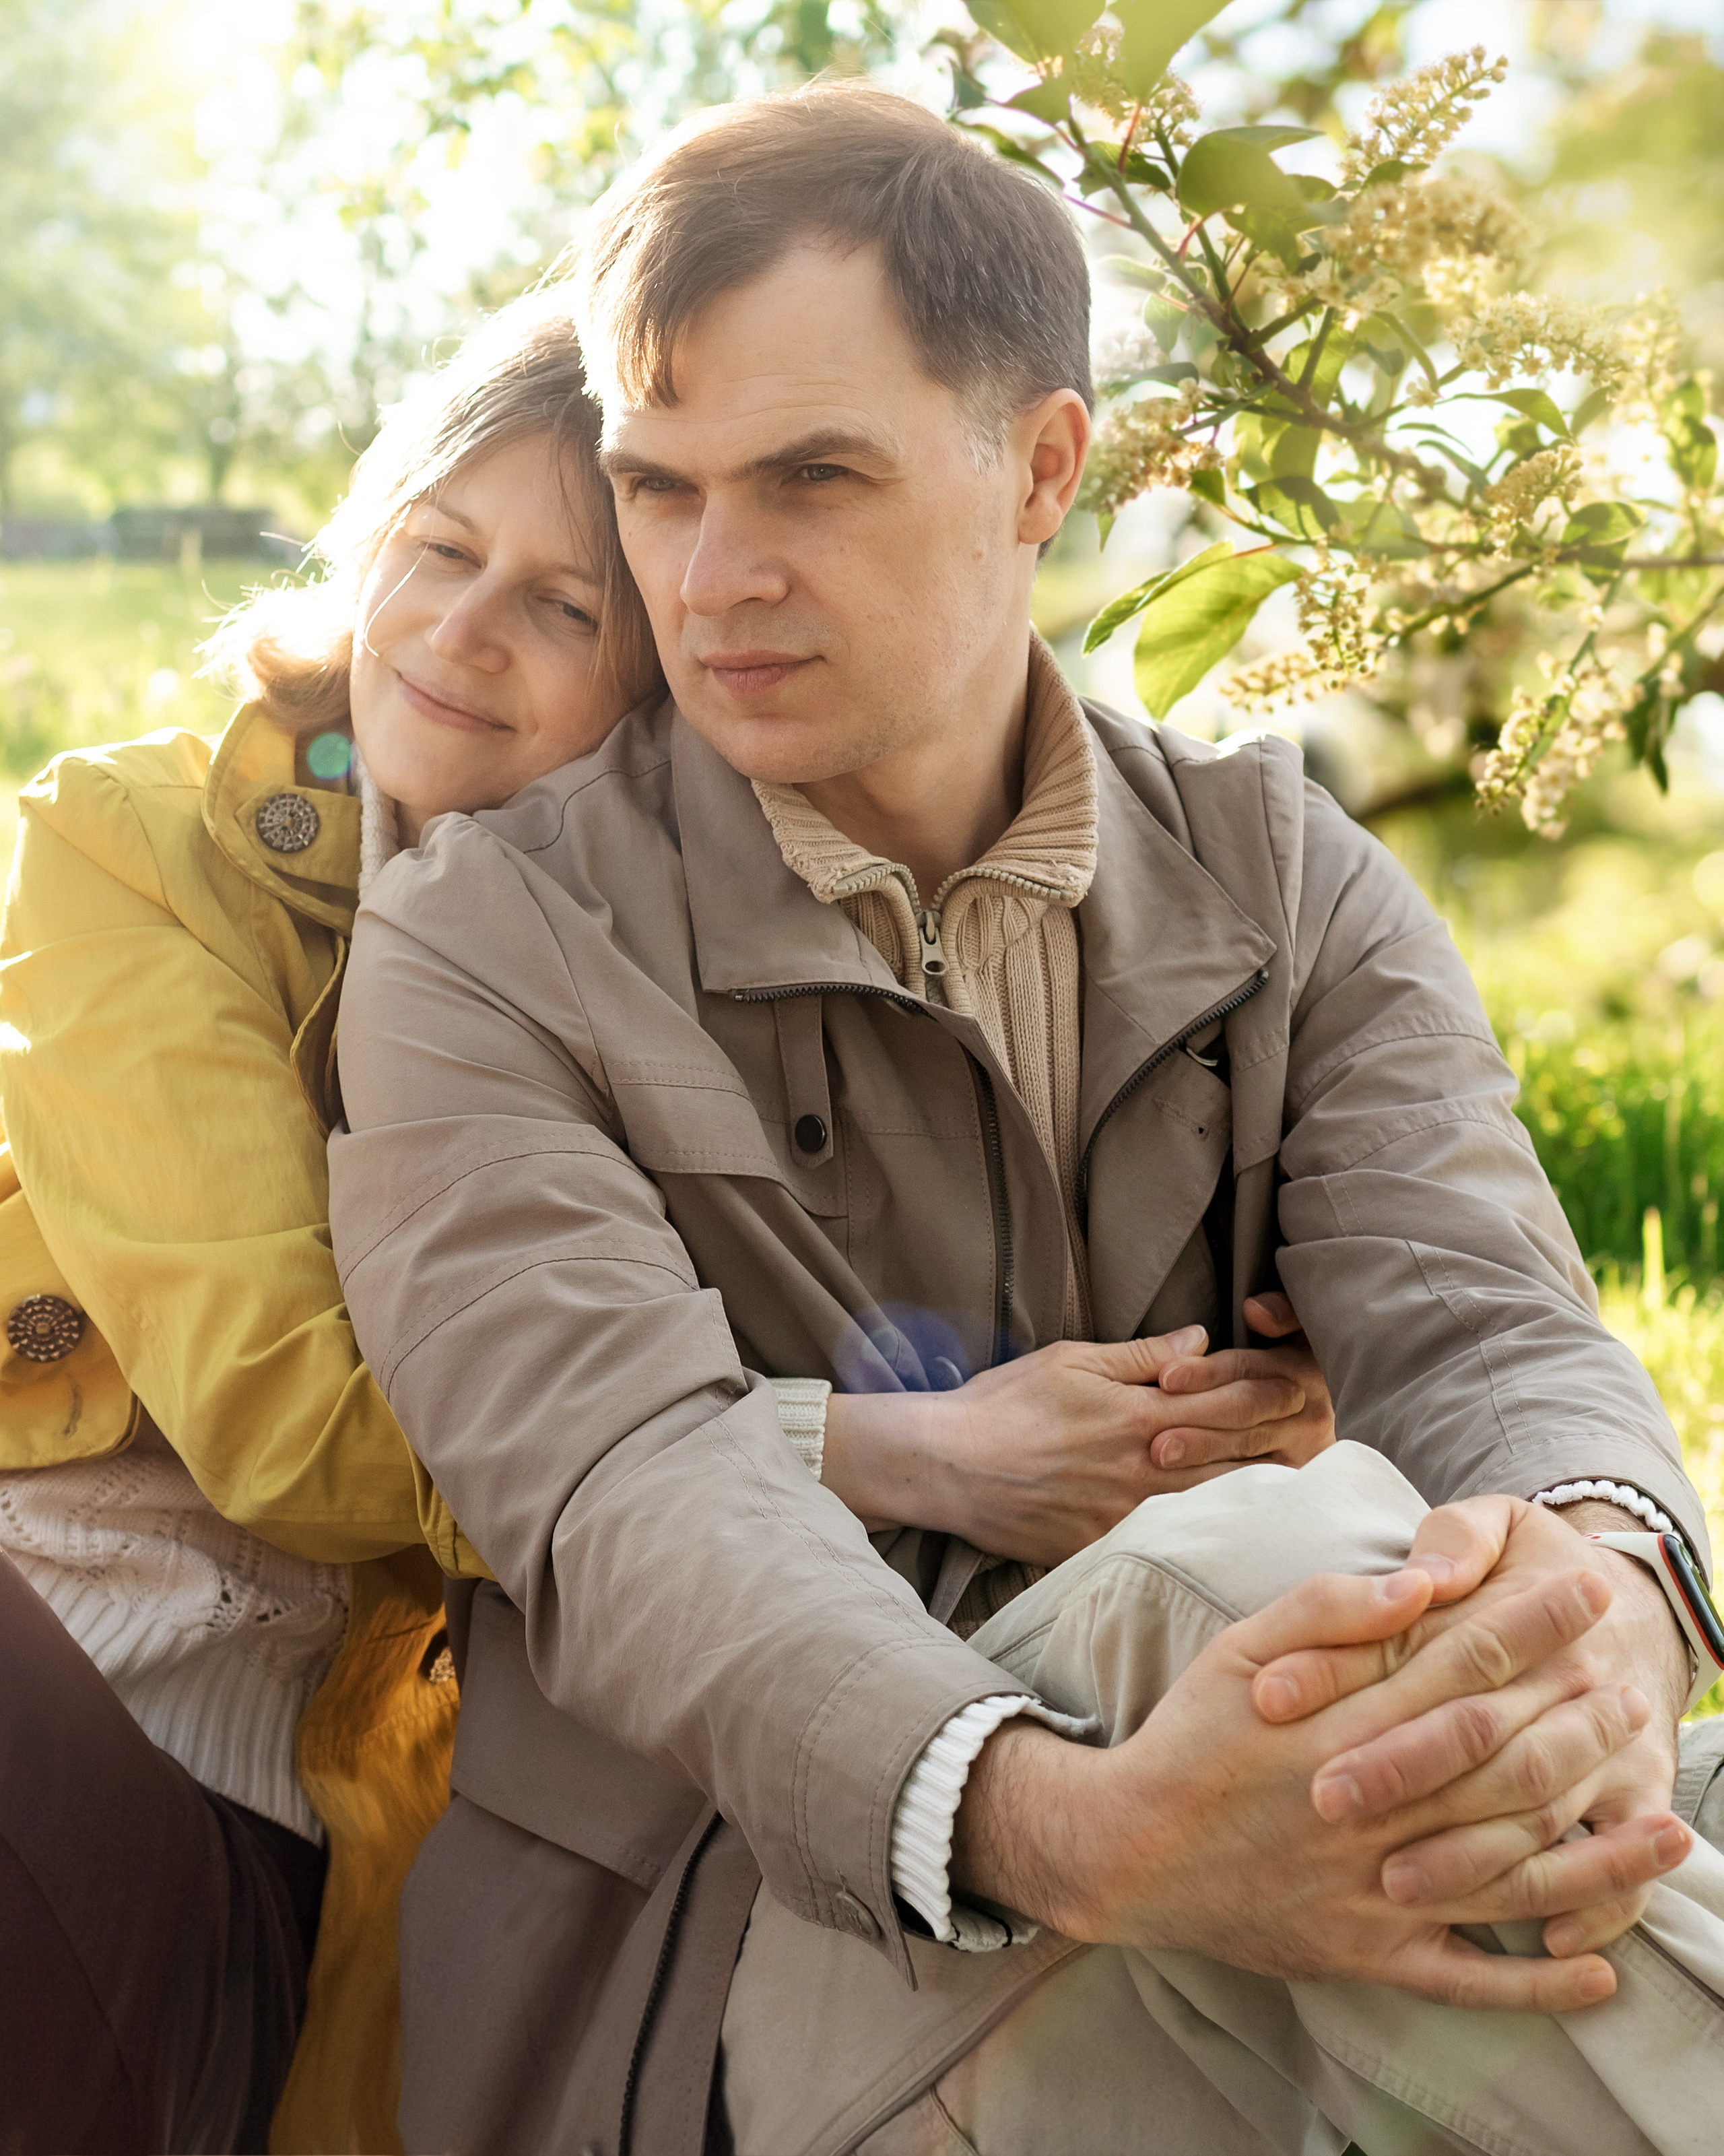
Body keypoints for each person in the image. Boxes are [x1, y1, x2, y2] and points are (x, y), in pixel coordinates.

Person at [327, 87, 1724, 2156]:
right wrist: (1068, 1822)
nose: (714, 580)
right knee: (1257, 1554)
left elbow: (1495, 1327)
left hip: (1291, 1873)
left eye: (812, 476)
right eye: (661, 488)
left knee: (1350, 1626)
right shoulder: (487, 946)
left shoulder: (1287, 876)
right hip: (751, 1940)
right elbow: (629, 1485)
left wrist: (1614, 1595)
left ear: (1040, 465)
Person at [0, 284, 663, 2154]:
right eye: (441, 549)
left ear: (661, 678)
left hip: (227, 1846)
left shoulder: (674, 1001)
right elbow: (280, 1410)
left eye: (565, 603)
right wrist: (742, 1461)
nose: (463, 630)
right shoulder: (133, 843)